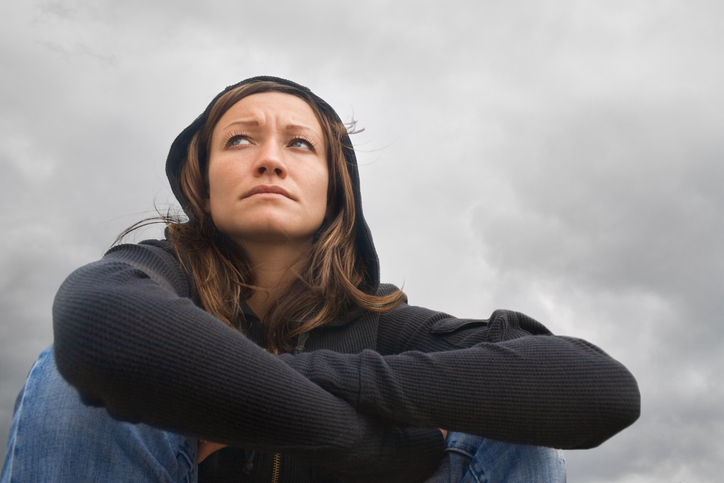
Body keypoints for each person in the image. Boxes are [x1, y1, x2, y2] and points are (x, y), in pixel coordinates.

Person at [2, 76, 640, 482]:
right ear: (204, 183)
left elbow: (600, 390)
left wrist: (234, 394)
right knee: (76, 377)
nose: (271, 160)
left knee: (513, 424)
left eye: (300, 145)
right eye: (240, 141)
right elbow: (100, 329)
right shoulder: (156, 274)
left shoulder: (389, 328)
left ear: (337, 190)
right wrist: (393, 448)